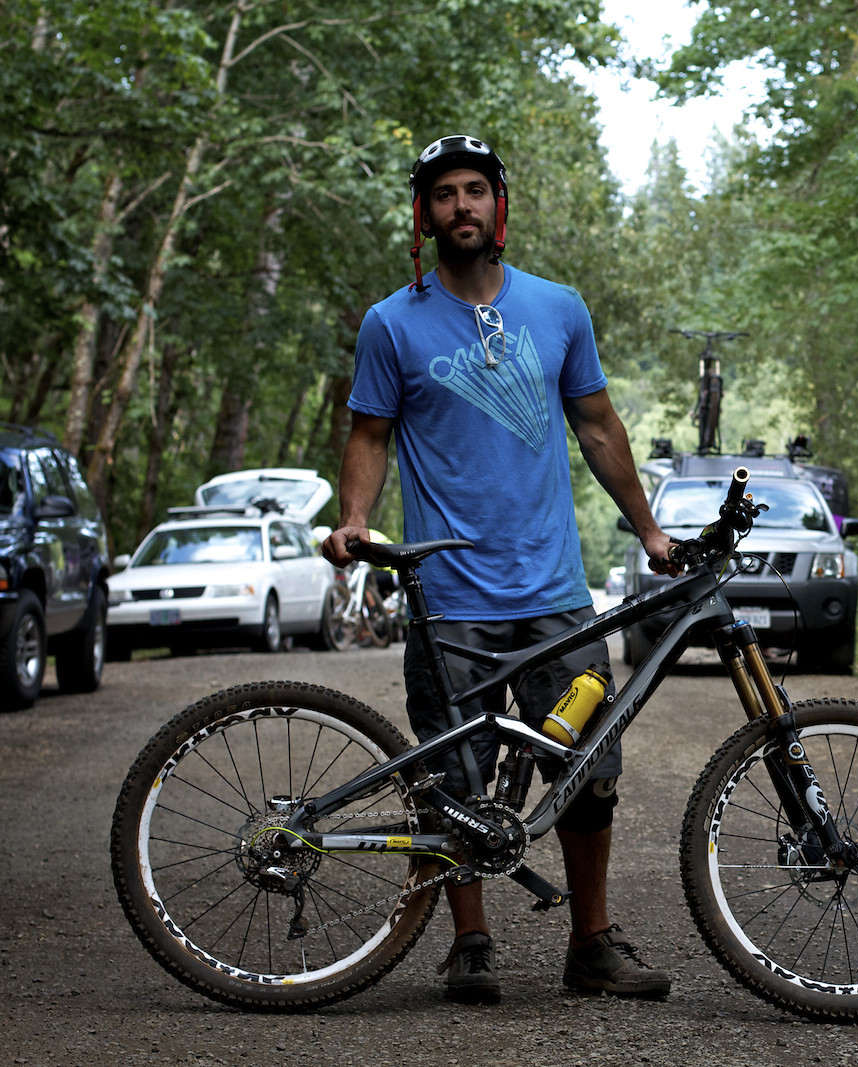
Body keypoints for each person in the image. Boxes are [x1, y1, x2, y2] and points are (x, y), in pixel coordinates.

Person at [323, 133, 675, 1005]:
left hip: (556, 596)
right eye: (443, 195)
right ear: (425, 215)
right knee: (457, 781)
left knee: (588, 773)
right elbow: (369, 434)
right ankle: (469, 941)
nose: (461, 206)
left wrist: (652, 532)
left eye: (475, 189)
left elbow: (598, 427)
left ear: (500, 205)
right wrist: (357, 518)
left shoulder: (558, 309)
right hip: (449, 602)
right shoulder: (390, 322)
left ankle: (591, 942)